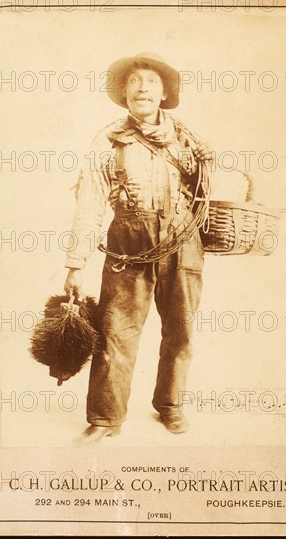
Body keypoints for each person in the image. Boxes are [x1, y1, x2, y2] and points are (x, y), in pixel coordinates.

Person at [64, 52, 213, 446]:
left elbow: (207, 194)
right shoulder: (108, 139)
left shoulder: (189, 141)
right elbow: (91, 201)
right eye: (134, 82)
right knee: (115, 331)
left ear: (164, 94)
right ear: (124, 93)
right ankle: (105, 417)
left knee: (180, 330)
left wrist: (209, 164)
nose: (142, 88)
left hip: (182, 242)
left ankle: (170, 405)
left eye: (151, 82)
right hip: (128, 242)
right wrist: (75, 263)